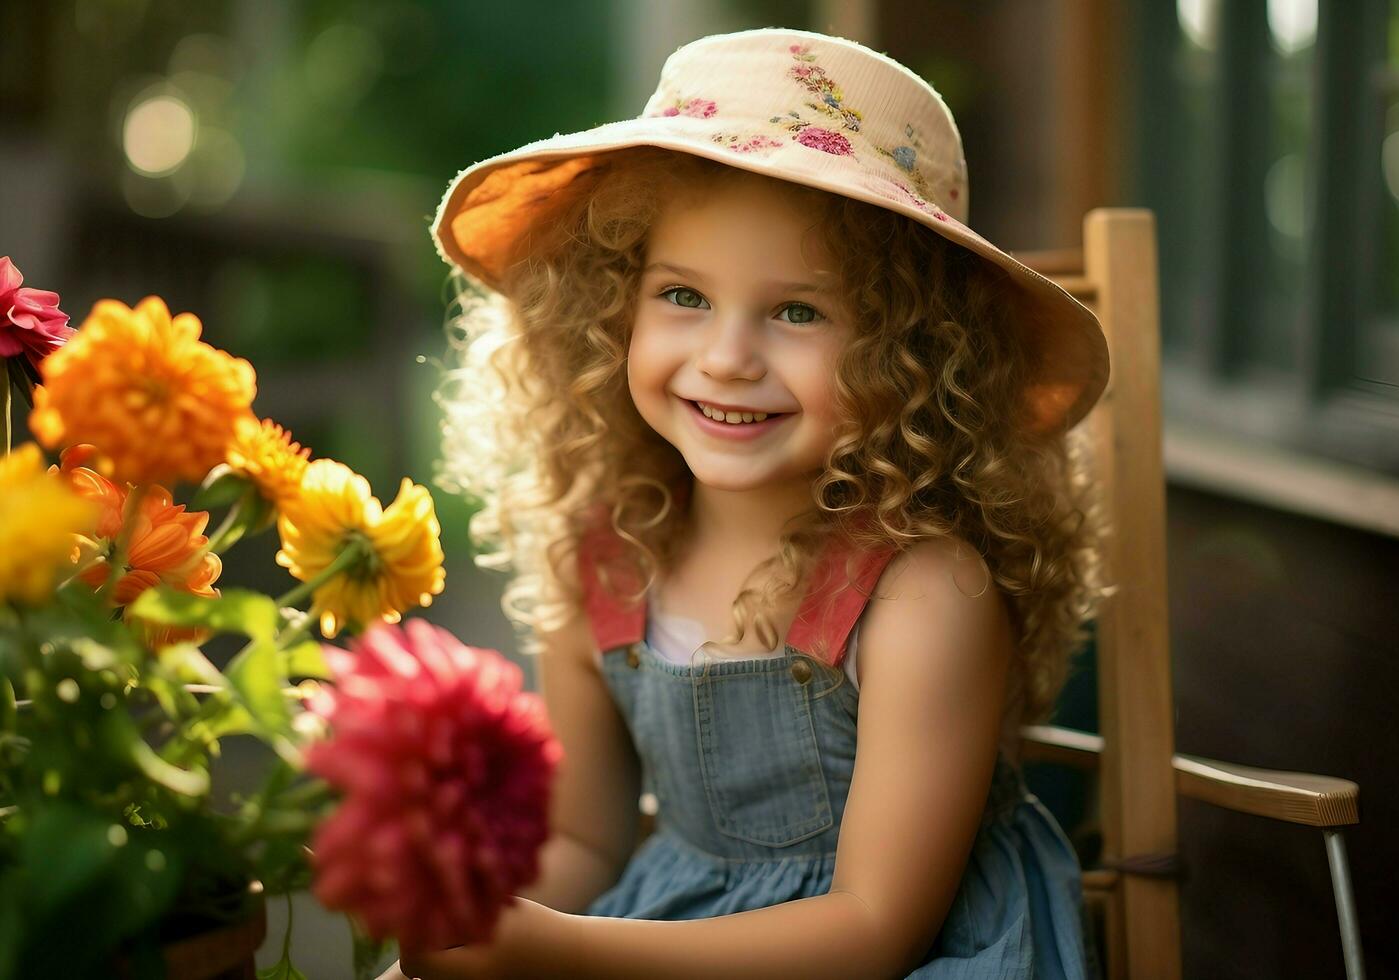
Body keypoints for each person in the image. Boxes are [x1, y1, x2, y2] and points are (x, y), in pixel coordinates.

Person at [393, 26, 1109, 980]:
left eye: (797, 311)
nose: (728, 356)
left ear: (915, 358)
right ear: (610, 314)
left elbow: (872, 931)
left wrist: (557, 949)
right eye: (683, 295)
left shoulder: (924, 594)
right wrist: (476, 919)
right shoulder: (605, 566)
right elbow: (586, 847)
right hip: (658, 940)